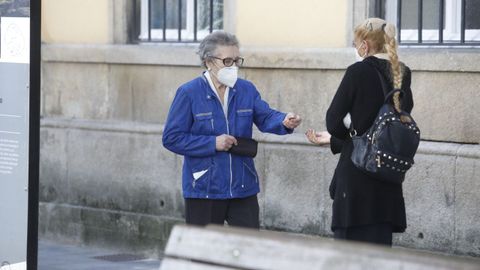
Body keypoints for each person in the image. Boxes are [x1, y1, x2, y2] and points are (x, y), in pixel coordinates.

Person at [162, 31, 302, 229]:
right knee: (204, 252)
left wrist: (284, 121)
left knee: (247, 247)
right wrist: (213, 143)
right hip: (204, 187)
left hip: (242, 185)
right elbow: (172, 138)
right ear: (208, 62)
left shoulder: (246, 89)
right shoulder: (189, 93)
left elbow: (265, 116)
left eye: (237, 61)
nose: (234, 66)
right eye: (227, 61)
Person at [306, 18, 414, 246]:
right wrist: (337, 141)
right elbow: (397, 121)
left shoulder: (357, 71)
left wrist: (339, 137)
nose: (356, 49)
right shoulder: (403, 72)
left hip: (357, 178)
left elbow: (333, 119)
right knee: (379, 254)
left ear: (365, 45)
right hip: (387, 177)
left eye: (356, 44)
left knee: (349, 256)